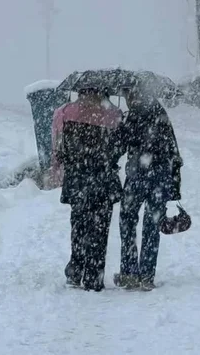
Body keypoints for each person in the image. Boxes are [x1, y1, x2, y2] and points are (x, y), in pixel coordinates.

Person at [50, 88, 123, 291]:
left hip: (78, 178)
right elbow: (120, 147)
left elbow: (57, 146)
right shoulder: (114, 115)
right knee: (100, 230)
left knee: (79, 227)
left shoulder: (64, 112)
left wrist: (59, 166)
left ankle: (75, 271)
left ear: (79, 91)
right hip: (104, 180)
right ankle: (94, 276)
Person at [113, 89, 182, 291]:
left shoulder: (132, 115)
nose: (127, 99)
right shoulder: (160, 113)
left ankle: (129, 272)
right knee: (152, 224)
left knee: (127, 220)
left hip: (137, 176)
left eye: (128, 95)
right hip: (160, 177)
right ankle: (147, 276)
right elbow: (173, 149)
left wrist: (119, 127)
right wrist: (173, 182)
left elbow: (119, 145)